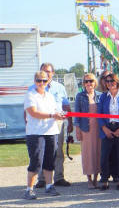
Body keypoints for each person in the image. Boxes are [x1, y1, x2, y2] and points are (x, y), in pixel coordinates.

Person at [23, 71, 65, 199]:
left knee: (49, 160)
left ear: (48, 81)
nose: (42, 83)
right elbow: (33, 113)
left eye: (44, 80)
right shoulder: (30, 95)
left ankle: (49, 186)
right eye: (39, 80)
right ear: (35, 81)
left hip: (51, 131)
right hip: (35, 133)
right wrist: (52, 115)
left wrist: (60, 114)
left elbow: (55, 111)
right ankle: (29, 189)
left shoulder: (50, 96)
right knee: (36, 161)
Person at [34, 63, 73, 188]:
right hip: (41, 123)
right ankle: (42, 179)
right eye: (44, 71)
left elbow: (66, 106)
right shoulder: (34, 88)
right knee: (42, 150)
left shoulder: (59, 87)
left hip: (57, 123)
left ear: (53, 73)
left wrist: (70, 122)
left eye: (48, 71)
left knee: (58, 151)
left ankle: (59, 177)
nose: (46, 73)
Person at [74, 73, 101, 189]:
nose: (89, 83)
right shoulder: (80, 96)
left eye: (91, 81)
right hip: (86, 129)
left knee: (98, 153)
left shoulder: (100, 95)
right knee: (87, 154)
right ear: (83, 84)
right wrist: (77, 129)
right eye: (86, 81)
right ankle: (89, 179)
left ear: (95, 82)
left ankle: (96, 178)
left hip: (99, 129)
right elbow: (76, 114)